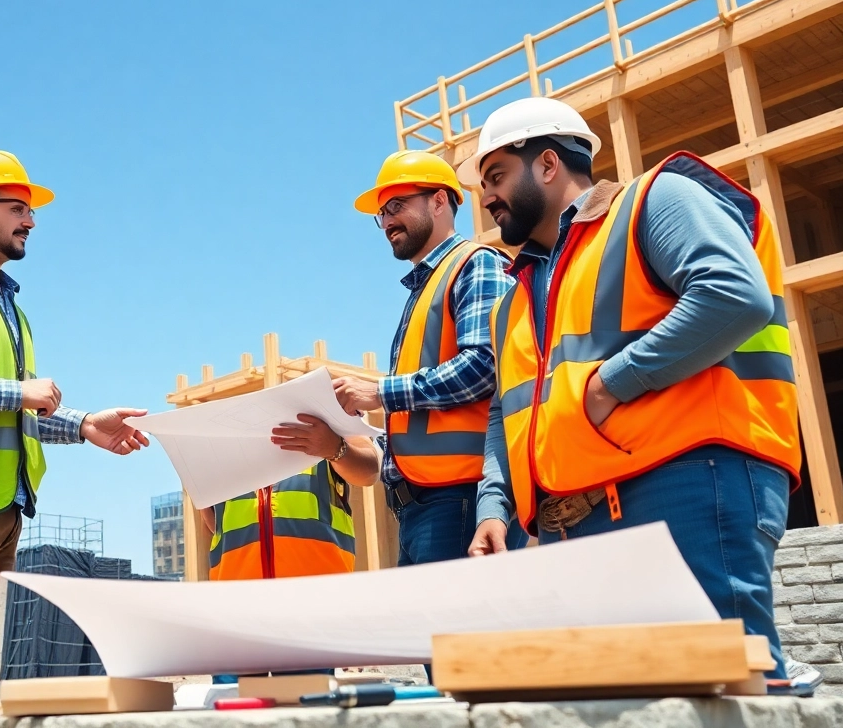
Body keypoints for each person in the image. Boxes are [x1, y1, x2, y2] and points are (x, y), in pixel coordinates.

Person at [463, 96, 800, 678]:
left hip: (687, 486)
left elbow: (733, 294)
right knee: (631, 701)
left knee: (726, 685)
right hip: (575, 519)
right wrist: (493, 504)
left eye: (495, 176)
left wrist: (614, 382)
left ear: (547, 164)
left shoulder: (653, 201)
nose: (487, 197)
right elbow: (507, 409)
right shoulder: (514, 297)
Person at [0, 150, 151, 701]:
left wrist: (83, 426)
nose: (31, 221)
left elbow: (19, 411)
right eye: (17, 208)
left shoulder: (10, 307)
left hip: (5, 507)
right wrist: (18, 392)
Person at [332, 150, 526, 565]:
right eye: (381, 214)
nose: (386, 223)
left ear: (439, 201)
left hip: (461, 497)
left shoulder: (476, 265)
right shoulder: (427, 287)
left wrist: (380, 393)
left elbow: (484, 366)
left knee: (458, 630)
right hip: (422, 505)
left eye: (396, 206)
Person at [204, 415, 380, 580]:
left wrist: (334, 448)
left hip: (319, 590)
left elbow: (369, 471)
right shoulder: (223, 450)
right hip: (238, 595)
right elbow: (217, 526)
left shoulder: (328, 420)